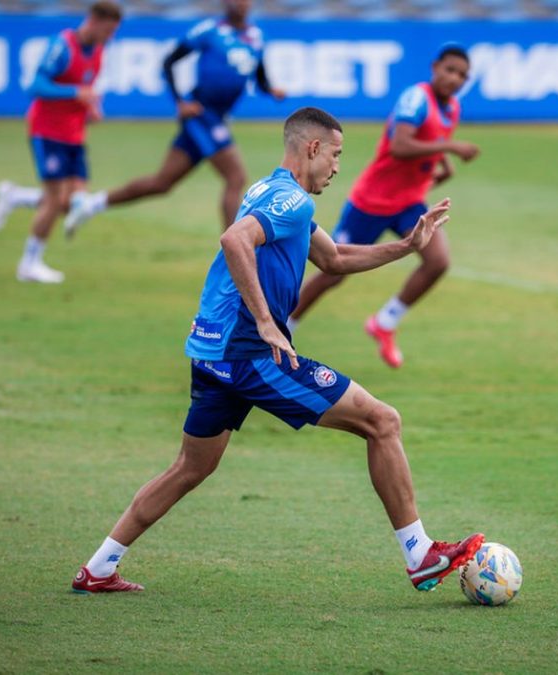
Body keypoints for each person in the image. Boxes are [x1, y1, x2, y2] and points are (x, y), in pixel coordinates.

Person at [71, 107, 483, 595]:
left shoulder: (268, 190)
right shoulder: (292, 201)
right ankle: (420, 556)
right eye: (335, 154)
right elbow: (234, 239)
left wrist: (409, 245)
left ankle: (98, 568)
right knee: (382, 421)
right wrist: (268, 321)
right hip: (249, 355)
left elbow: (334, 258)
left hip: (212, 351)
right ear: (312, 148)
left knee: (191, 467)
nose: (336, 167)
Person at [287, 44, 480, 368]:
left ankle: (385, 322)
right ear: (435, 67)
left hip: (409, 201)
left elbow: (428, 138)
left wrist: (440, 161)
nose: (455, 79)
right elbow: (401, 145)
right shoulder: (415, 99)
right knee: (332, 271)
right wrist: (451, 146)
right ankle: (285, 326)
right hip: (372, 201)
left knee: (437, 261)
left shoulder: (452, 108)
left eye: (462, 75)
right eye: (450, 70)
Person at [62, 0, 287, 237]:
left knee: (162, 183)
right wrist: (181, 102)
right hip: (202, 114)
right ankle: (234, 249)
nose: (240, 4)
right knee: (236, 177)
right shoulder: (209, 30)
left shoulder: (256, 36)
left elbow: (258, 76)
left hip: (218, 117)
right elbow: (170, 61)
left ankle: (90, 204)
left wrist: (271, 90)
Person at [0, 1, 122, 283]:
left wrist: (89, 109)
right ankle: (29, 264)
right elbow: (35, 85)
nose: (111, 38)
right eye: (109, 31)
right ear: (94, 21)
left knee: (74, 202)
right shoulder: (62, 46)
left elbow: (85, 91)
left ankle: (14, 197)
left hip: (73, 133)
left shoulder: (97, 51)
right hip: (46, 130)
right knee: (54, 200)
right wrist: (76, 93)